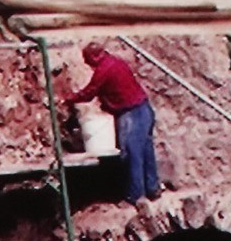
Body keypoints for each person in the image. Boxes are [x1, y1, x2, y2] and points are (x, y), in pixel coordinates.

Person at [61, 41, 161, 203]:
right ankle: (153, 189)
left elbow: (90, 92)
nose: (86, 63)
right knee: (145, 151)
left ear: (95, 56)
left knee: (131, 154)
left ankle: (135, 195)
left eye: (87, 59)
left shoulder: (104, 70)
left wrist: (70, 99)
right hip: (144, 108)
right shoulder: (116, 62)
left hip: (131, 113)